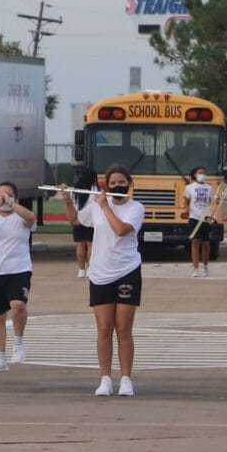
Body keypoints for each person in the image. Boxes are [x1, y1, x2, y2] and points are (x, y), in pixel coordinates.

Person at [58, 166, 144, 397]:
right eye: (113, 183)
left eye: (121, 182)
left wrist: (105, 206)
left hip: (127, 271)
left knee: (123, 329)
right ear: (106, 185)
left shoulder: (135, 208)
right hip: (100, 273)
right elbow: (76, 220)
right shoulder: (95, 206)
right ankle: (105, 378)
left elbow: (121, 230)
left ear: (129, 183)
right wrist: (67, 201)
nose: (117, 186)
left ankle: (126, 378)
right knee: (104, 328)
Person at [0, 181, 36, 373]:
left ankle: (19, 342)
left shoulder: (21, 217)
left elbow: (31, 218)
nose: (4, 198)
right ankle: (0, 357)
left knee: (18, 305)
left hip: (19, 270)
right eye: (0, 195)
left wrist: (12, 205)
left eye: (9, 195)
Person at [187, 166, 218, 277]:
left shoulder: (209, 188)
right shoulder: (190, 187)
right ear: (195, 174)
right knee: (195, 242)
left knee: (206, 243)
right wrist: (189, 210)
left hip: (206, 218)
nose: (202, 175)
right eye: (200, 173)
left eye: (204, 173)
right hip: (194, 218)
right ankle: (195, 269)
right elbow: (186, 201)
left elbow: (212, 202)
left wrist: (211, 215)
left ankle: (205, 267)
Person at [69, 166, 96, 279]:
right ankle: (90, 269)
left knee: (80, 244)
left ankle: (81, 269)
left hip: (78, 220)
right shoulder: (96, 190)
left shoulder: (75, 190)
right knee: (90, 245)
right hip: (92, 221)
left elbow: (72, 206)